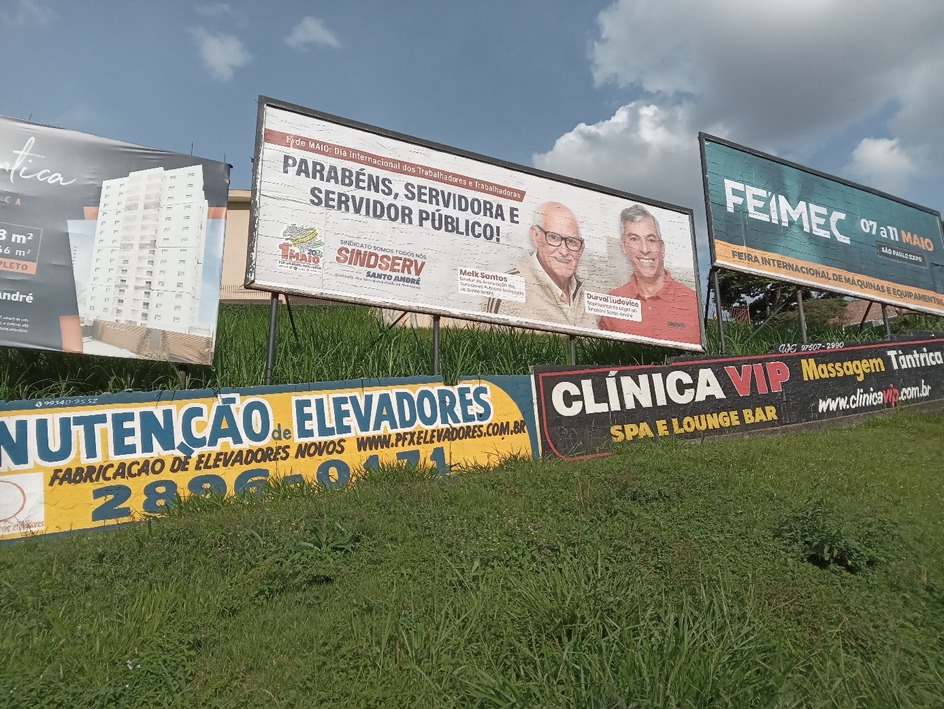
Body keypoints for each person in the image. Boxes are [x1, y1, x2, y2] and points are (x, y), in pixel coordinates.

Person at [598, 204, 701, 344]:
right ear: (624, 246)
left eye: (651, 240)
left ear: (662, 247)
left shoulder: (693, 302)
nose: (645, 249)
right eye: (634, 239)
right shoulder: (611, 302)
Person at [487, 201, 596, 328]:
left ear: (581, 248)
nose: (564, 251)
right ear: (536, 236)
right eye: (554, 238)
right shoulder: (508, 290)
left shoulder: (587, 296)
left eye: (572, 242)